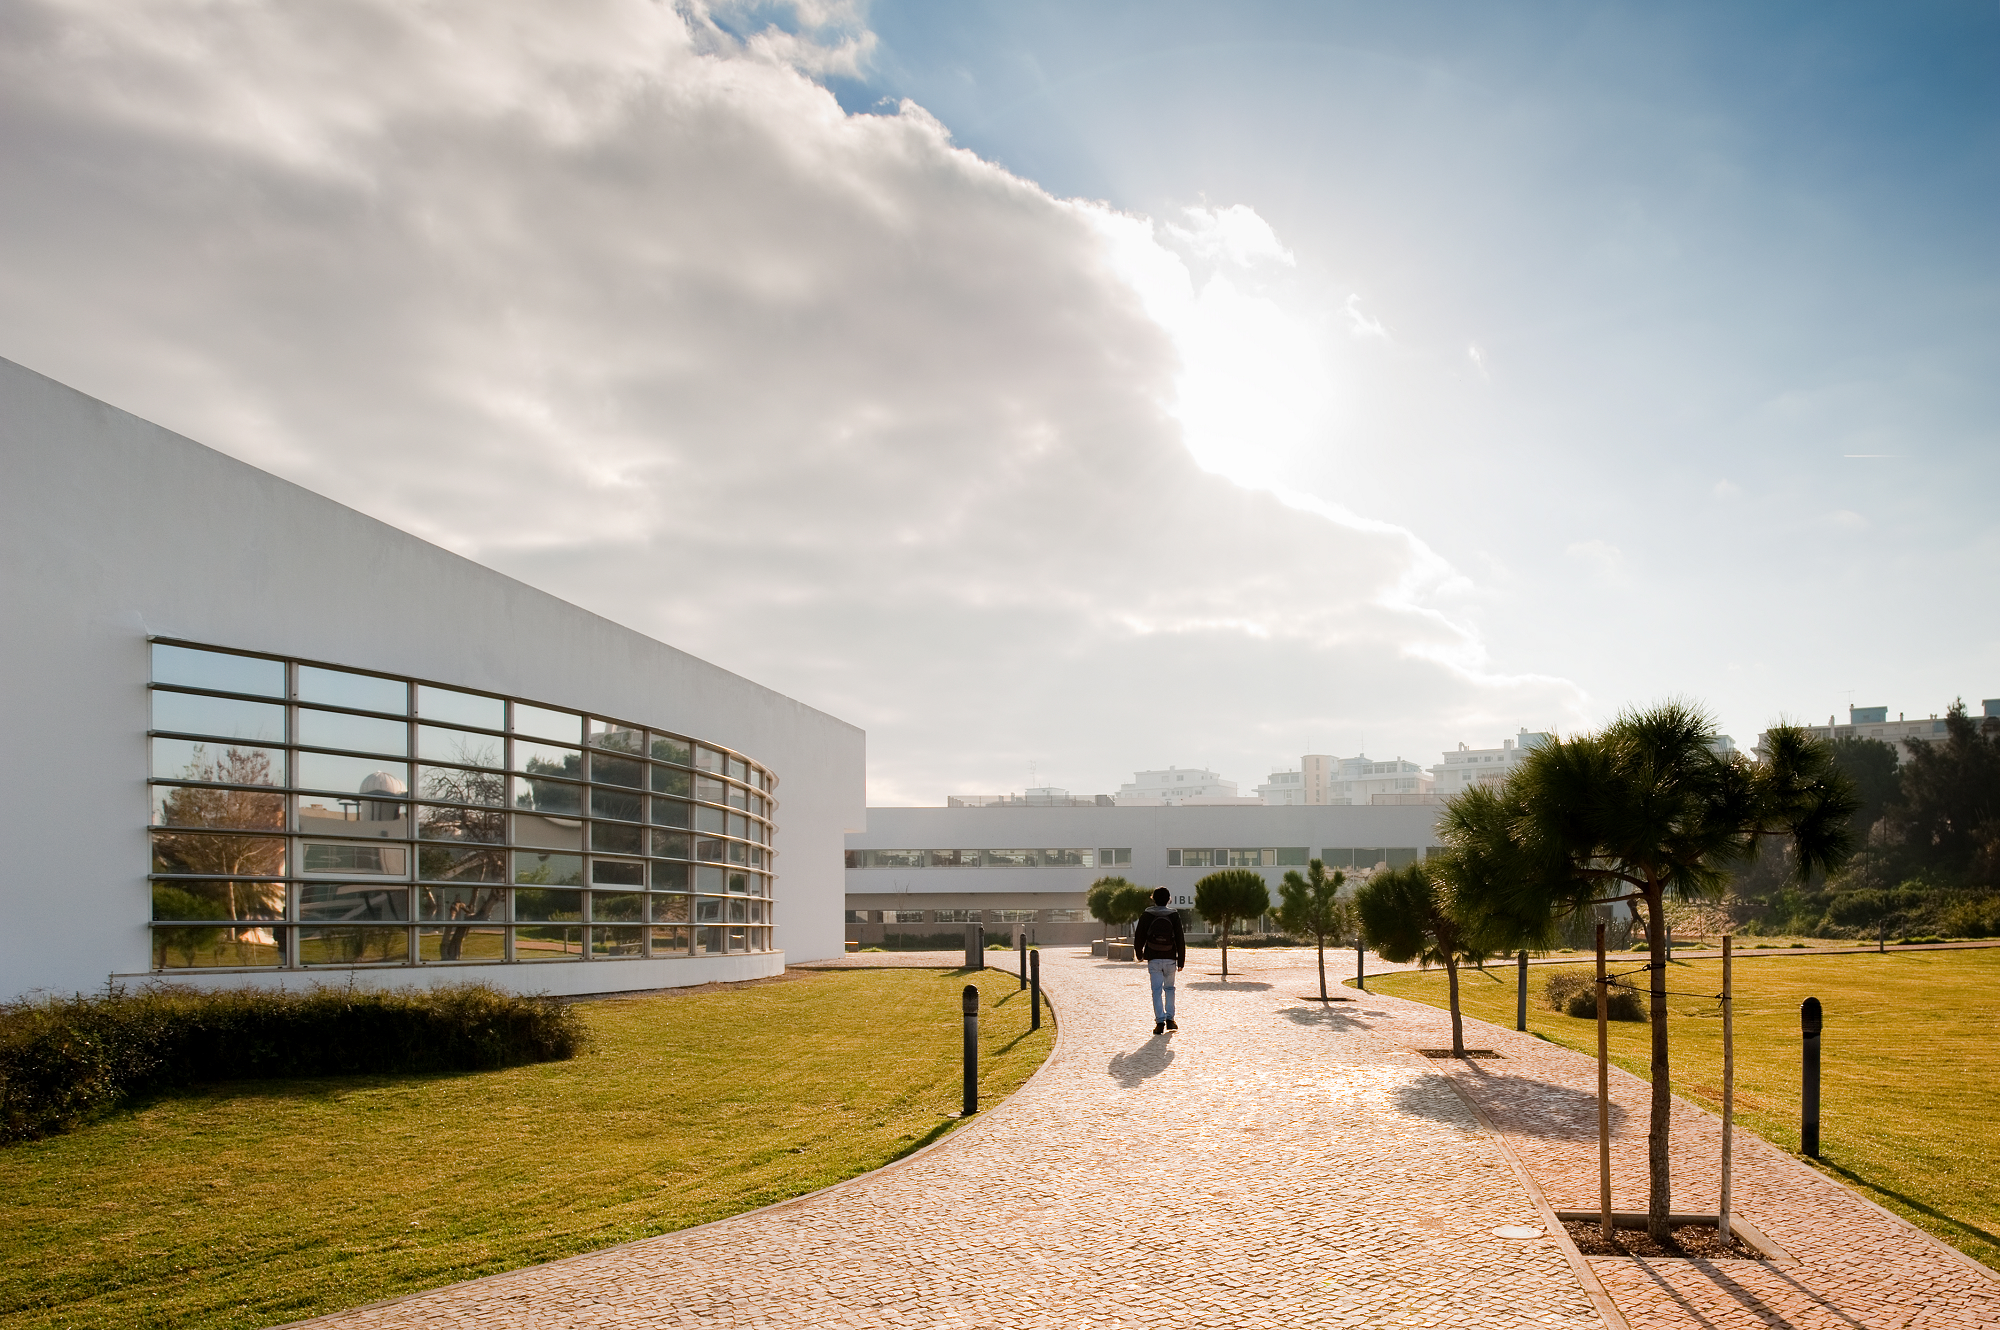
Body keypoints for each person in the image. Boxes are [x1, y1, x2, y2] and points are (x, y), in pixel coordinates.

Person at [1132, 886, 1185, 1035]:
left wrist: (1139, 954)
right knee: (1169, 989)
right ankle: (1170, 1019)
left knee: (1156, 991)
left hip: (1154, 958)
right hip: (1170, 958)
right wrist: (1181, 961)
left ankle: (1159, 1022)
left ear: (1153, 899)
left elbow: (1139, 936)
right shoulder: (1174, 915)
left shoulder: (1147, 915)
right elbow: (1180, 938)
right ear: (1169, 899)